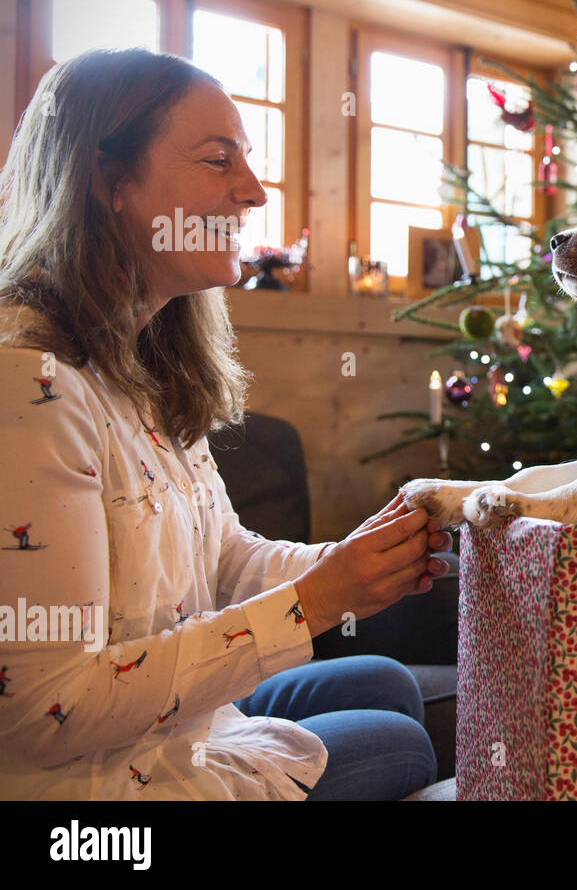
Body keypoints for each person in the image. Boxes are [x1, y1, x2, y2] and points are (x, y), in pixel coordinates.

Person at [0, 48, 449, 800]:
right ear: (109, 182)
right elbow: (48, 708)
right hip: (89, 792)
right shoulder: (30, 384)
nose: (255, 191)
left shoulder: (145, 363)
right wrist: (315, 602)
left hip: (176, 730)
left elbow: (225, 559)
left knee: (388, 683)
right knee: (399, 742)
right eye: (218, 161)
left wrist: (353, 563)